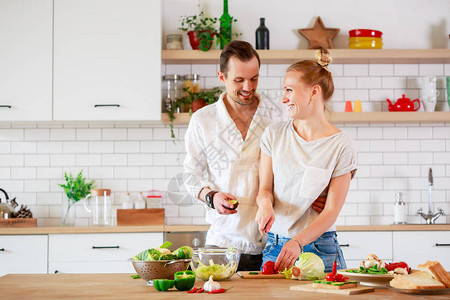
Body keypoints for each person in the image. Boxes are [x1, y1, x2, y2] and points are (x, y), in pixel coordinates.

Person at [183, 40, 325, 271]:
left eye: (254, 78)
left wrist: (323, 189)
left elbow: (312, 151)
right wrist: (211, 197)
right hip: (223, 242)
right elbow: (190, 175)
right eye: (239, 80)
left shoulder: (280, 113)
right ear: (222, 77)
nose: (248, 86)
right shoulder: (203, 121)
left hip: (275, 242)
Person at [255, 48, 357, 273]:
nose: (283, 98)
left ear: (313, 92)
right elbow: (264, 188)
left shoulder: (341, 144)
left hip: (320, 247)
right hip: (276, 246)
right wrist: (264, 205)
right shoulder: (274, 134)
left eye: (289, 90)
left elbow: (331, 211)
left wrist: (298, 241)